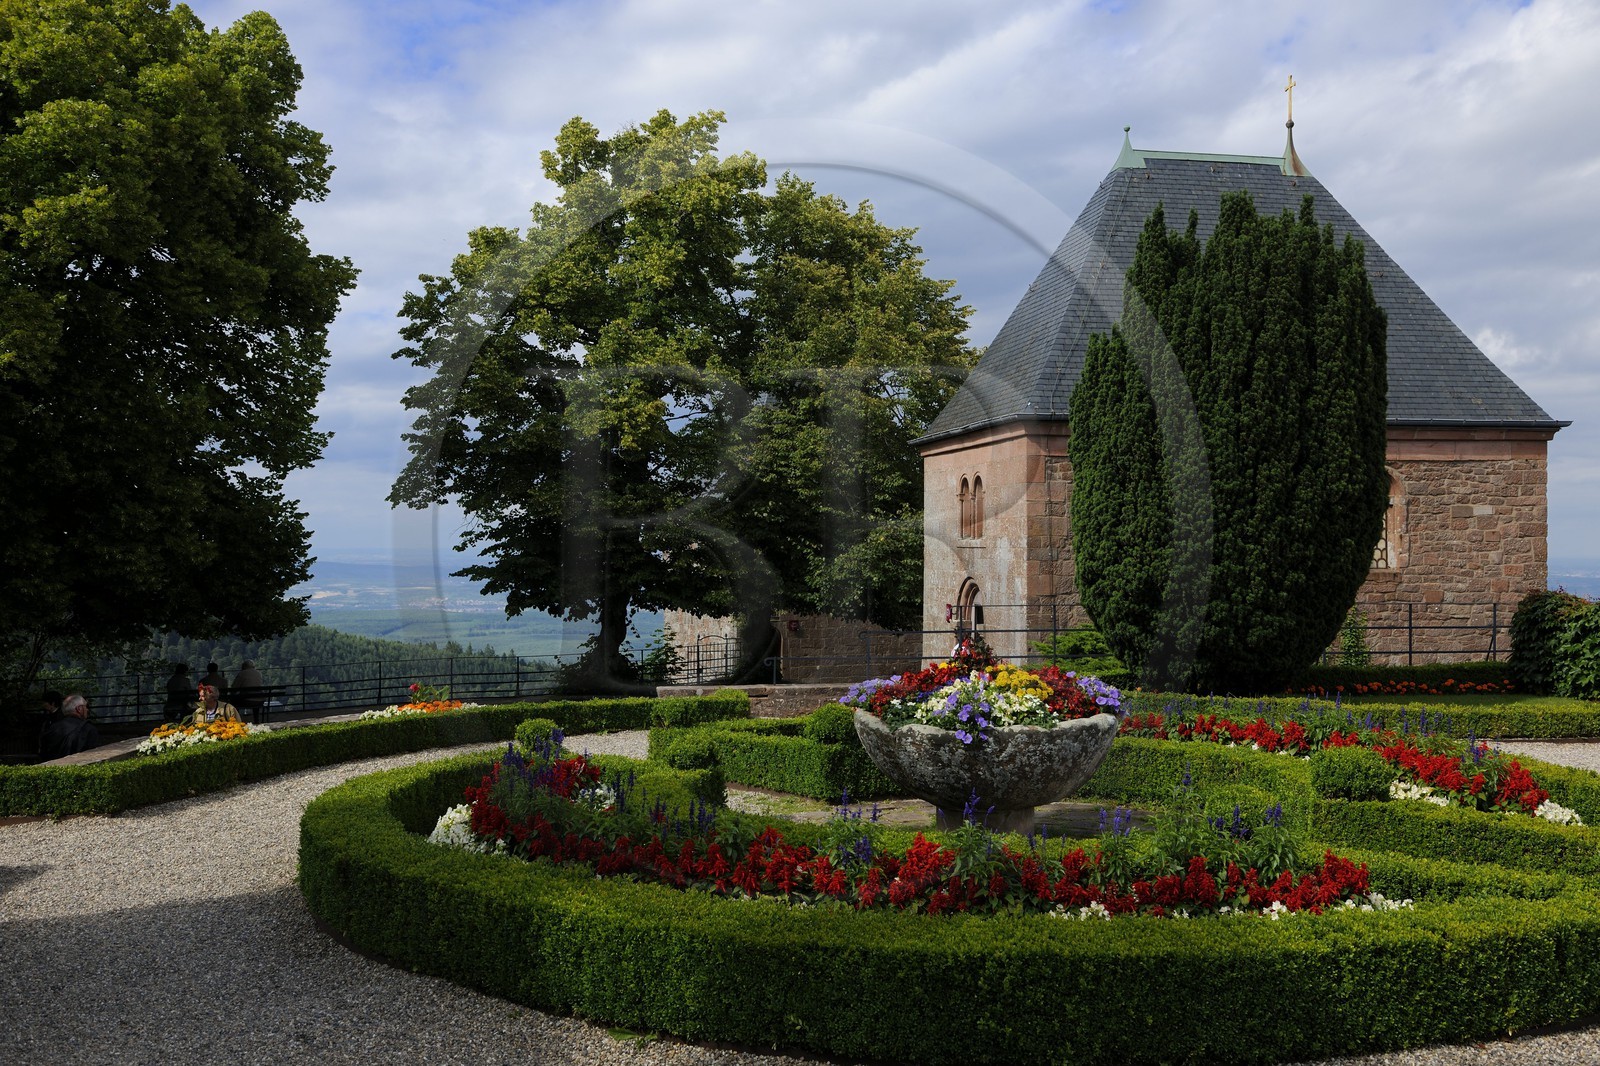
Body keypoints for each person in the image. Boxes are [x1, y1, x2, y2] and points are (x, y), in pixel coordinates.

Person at [38, 693, 102, 761]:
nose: (87, 709)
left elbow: (44, 753)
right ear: (79, 709)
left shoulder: (52, 728)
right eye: (85, 706)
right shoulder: (88, 729)